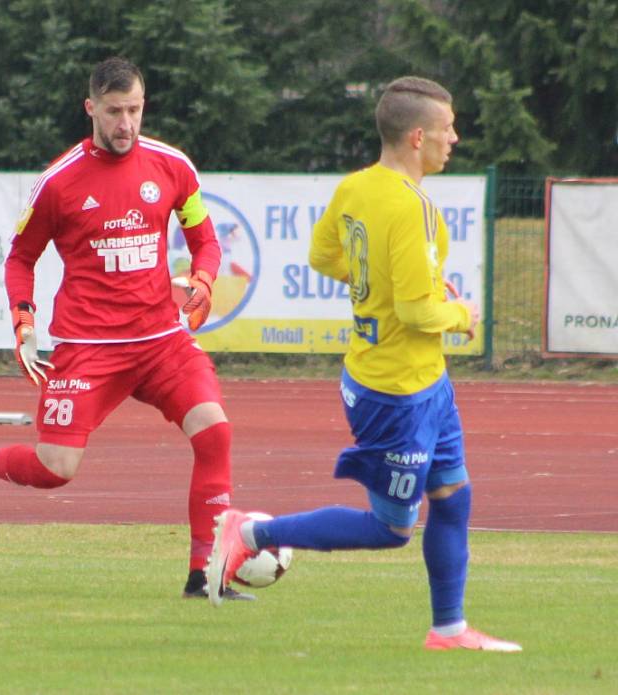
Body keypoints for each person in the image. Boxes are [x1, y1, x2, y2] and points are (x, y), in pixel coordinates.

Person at [206, 76, 522, 651]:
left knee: (454, 496)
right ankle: (251, 532)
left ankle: (448, 630)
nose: (455, 139)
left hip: (424, 383)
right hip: (395, 391)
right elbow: (417, 311)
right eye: (449, 129)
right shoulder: (414, 208)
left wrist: (385, 285)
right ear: (418, 136)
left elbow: (323, 255)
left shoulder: (356, 187)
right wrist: (460, 313)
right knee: (390, 529)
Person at [0, 56, 252, 601]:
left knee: (215, 432)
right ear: (91, 109)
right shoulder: (58, 183)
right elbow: (20, 259)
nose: (125, 123)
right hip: (89, 347)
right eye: (113, 111)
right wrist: (24, 319)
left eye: (134, 109)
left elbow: (204, 237)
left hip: (160, 341)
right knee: (57, 468)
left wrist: (203, 277)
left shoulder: (173, 166)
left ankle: (204, 577)